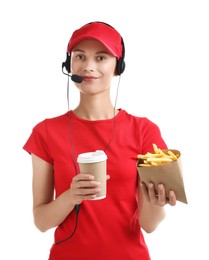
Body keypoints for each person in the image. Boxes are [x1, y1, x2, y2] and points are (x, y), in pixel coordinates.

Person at [23, 21, 177, 260]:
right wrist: (70, 196)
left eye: (101, 57)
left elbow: (149, 225)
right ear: (68, 63)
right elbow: (41, 222)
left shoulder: (144, 131)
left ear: (118, 66)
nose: (88, 66)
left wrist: (157, 202)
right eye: (80, 56)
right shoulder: (45, 132)